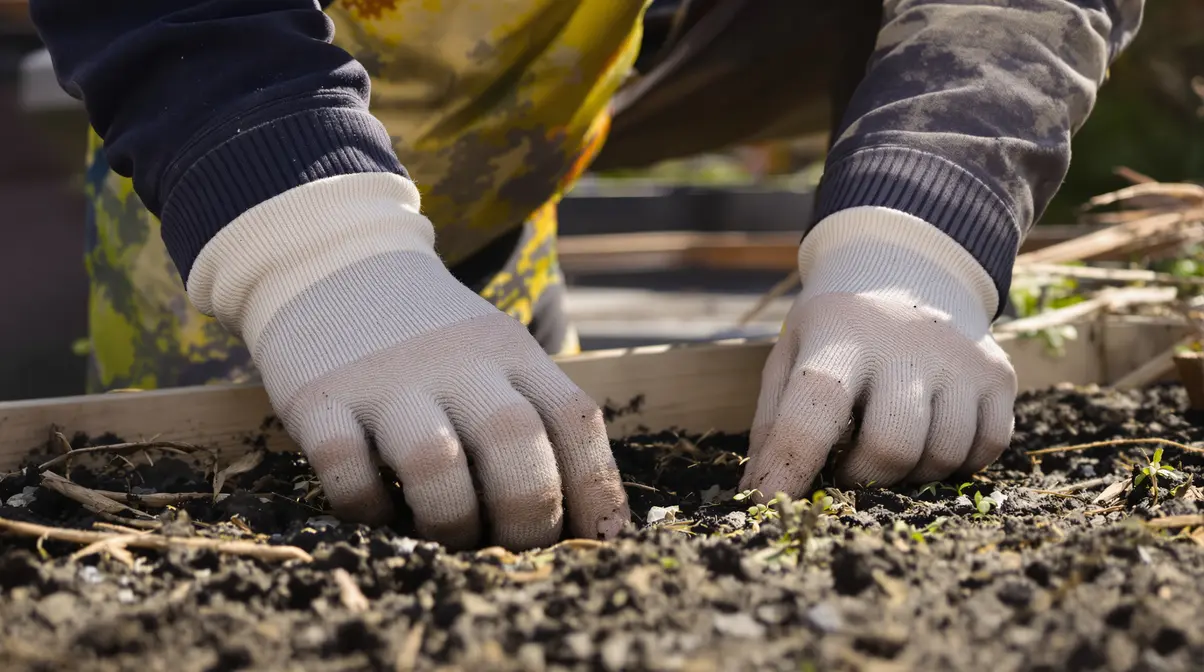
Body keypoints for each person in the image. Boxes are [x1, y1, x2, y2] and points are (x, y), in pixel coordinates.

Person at [29, 0, 1143, 551]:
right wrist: (310, 251)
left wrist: (921, 229)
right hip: (235, 144)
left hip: (520, 135)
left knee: (524, 474)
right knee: (226, 501)